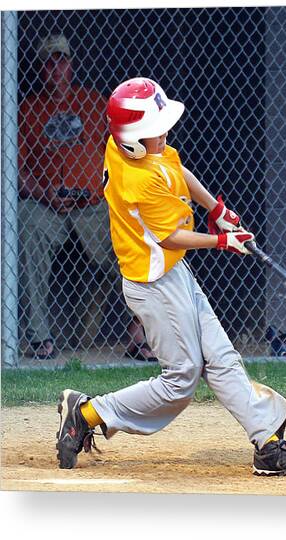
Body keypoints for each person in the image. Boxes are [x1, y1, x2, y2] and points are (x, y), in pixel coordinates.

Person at [55, 77, 286, 476]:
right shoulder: (137, 179)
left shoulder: (133, 146)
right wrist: (221, 240)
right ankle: (88, 413)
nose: (164, 134)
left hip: (173, 273)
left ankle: (266, 443)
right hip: (153, 285)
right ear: (134, 139)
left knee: (221, 356)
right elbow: (170, 236)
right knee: (181, 380)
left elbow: (176, 168)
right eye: (154, 130)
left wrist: (216, 208)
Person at [18, 34, 155, 361]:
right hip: (47, 205)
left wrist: (117, 193)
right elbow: (17, 171)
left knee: (138, 234)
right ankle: (39, 338)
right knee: (24, 223)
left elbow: (123, 153)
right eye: (48, 62)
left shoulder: (94, 103)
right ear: (40, 69)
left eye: (61, 60)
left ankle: (140, 334)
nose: (56, 67)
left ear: (71, 64)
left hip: (94, 205)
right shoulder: (27, 109)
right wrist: (44, 193)